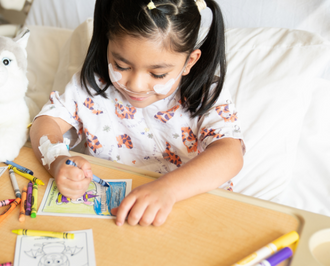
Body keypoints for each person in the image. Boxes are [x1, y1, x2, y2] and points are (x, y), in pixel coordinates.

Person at [29, 0, 245, 226]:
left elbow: (230, 155)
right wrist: (56, 160)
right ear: (107, 45)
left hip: (191, 212)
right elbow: (45, 123)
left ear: (189, 61)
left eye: (158, 74)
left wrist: (168, 189)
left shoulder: (205, 93)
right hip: (115, 217)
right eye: (122, 66)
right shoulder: (93, 87)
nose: (136, 85)